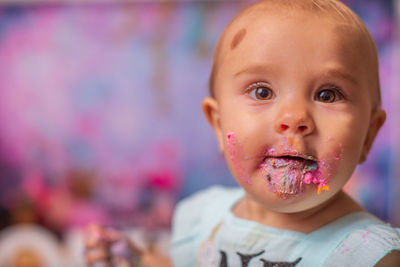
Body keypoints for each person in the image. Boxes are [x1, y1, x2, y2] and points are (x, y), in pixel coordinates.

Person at [84, 0, 400, 266]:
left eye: (327, 95)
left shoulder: (368, 255)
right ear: (219, 125)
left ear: (369, 136)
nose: (294, 119)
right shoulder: (201, 219)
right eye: (262, 92)